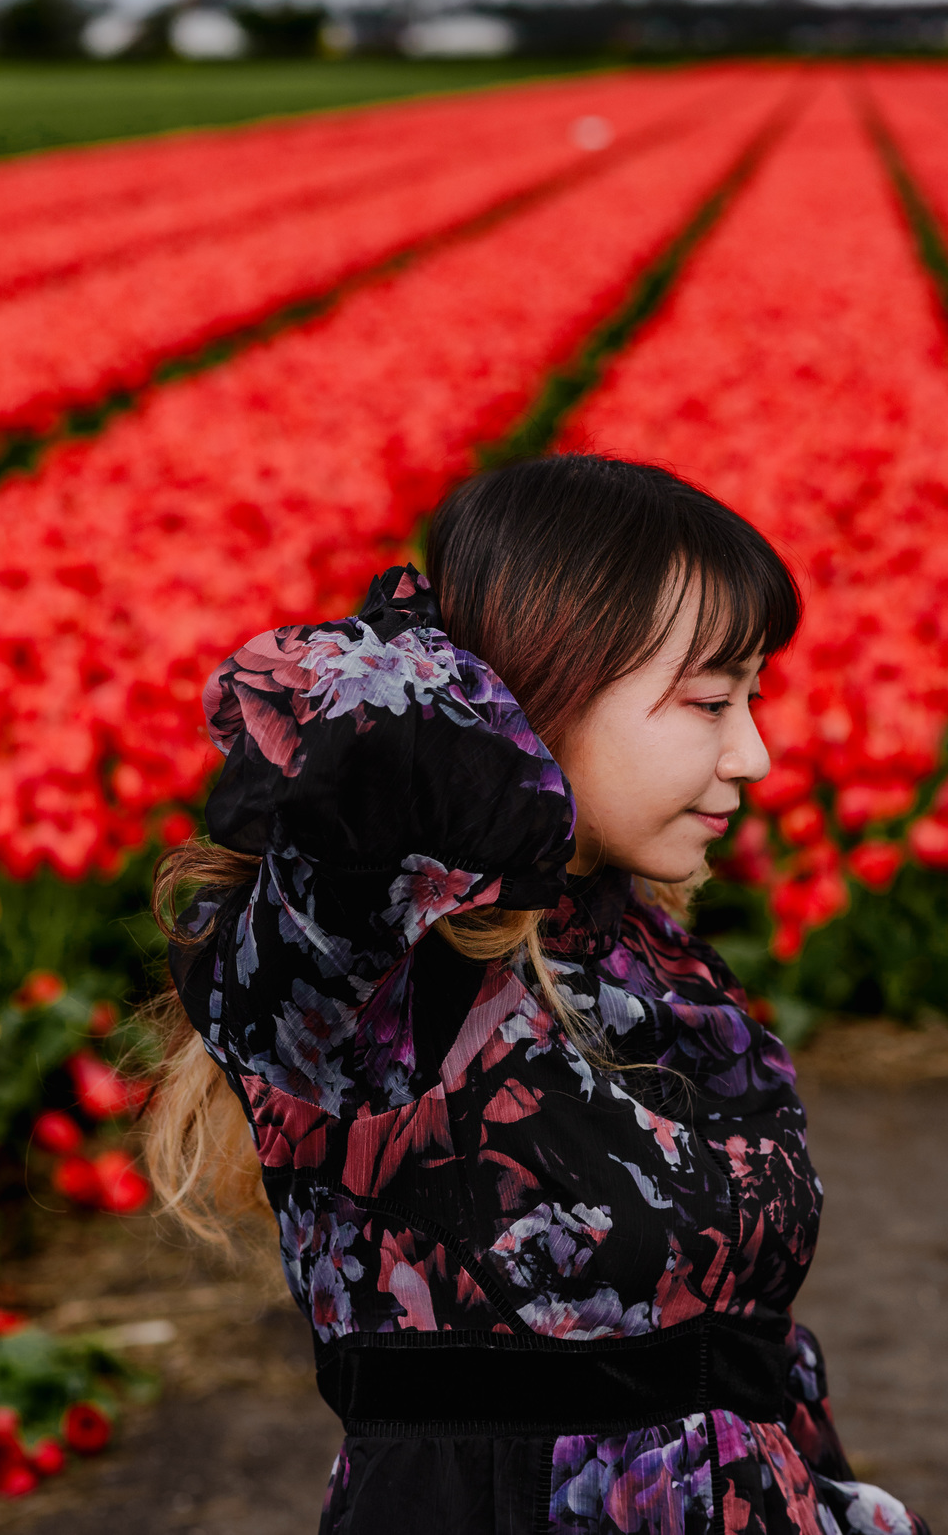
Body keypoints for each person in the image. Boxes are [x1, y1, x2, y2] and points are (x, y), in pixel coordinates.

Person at [147, 454, 928, 1535]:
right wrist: (474, 676)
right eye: (708, 701)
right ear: (541, 689)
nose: (754, 751)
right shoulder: (380, 985)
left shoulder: (657, 966)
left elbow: (750, 1361)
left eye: (753, 697)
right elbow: (328, 711)